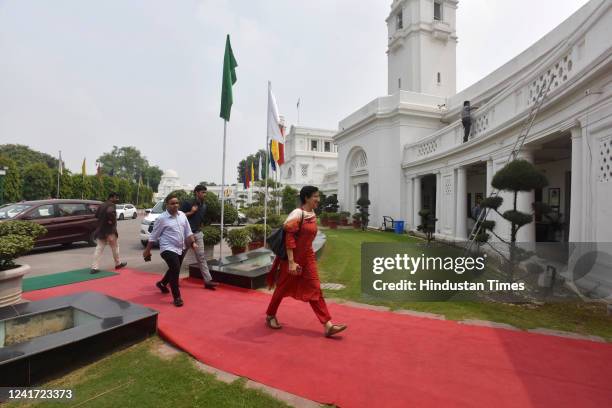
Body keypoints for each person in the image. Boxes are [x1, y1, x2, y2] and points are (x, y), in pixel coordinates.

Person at [265, 186, 347, 338]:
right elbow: (289, 238)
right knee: (282, 288)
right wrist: (291, 262)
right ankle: (270, 315)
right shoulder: (297, 214)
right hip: (292, 258)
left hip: (307, 257)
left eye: (318, 196)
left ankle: (328, 325)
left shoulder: (313, 213)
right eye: (315, 196)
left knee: (315, 288)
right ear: (306, 198)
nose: (318, 199)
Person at [143, 194, 197, 307]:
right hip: (167, 249)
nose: (175, 205)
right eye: (172, 203)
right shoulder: (162, 218)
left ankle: (162, 283)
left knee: (173, 268)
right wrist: (147, 250)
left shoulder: (182, 215)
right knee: (176, 269)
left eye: (177, 203)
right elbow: (154, 235)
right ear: (166, 205)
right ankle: (177, 297)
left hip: (181, 248)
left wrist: (192, 243)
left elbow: (188, 231)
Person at [180, 185, 218, 290]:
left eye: (205, 192)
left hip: (198, 234)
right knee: (179, 258)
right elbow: (178, 216)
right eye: (202, 192)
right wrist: (191, 212)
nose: (204, 194)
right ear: (196, 192)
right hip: (186, 235)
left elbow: (200, 219)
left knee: (201, 258)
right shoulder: (188, 203)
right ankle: (170, 280)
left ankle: (208, 281)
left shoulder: (204, 206)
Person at [91, 192, 127, 274]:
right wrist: (112, 221)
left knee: (99, 248)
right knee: (115, 247)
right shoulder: (111, 205)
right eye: (116, 198)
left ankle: (94, 268)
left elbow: (96, 216)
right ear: (111, 198)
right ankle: (118, 264)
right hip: (110, 231)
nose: (117, 199)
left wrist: (103, 221)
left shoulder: (101, 205)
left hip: (101, 231)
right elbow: (109, 212)